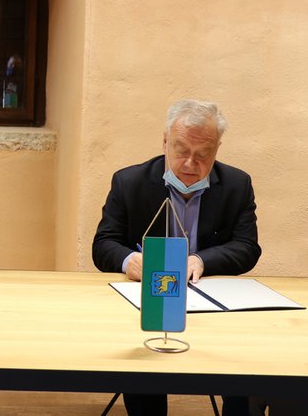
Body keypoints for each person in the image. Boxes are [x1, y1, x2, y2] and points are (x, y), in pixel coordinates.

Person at [93, 99, 261, 416]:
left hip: (211, 305)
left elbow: (247, 247)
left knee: (245, 363)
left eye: (203, 154)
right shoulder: (129, 182)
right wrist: (130, 261)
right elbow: (103, 244)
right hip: (148, 300)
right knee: (144, 367)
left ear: (217, 149)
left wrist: (202, 260)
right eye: (181, 150)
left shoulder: (236, 185)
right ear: (165, 141)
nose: (189, 163)